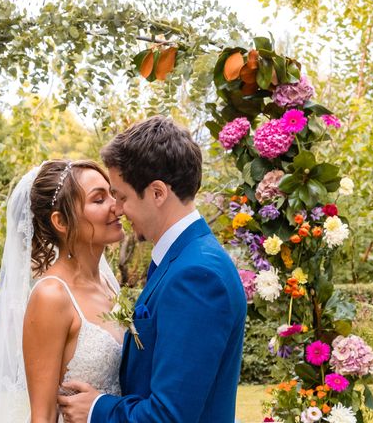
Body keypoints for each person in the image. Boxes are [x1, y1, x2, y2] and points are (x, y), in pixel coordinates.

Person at [58, 116, 247, 423]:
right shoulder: (182, 258)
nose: (116, 209)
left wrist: (96, 409)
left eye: (122, 196)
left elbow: (170, 415)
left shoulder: (197, 276)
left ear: (158, 193)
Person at [0, 160, 125, 423]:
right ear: (61, 221)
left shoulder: (107, 284)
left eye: (113, 195)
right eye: (98, 199)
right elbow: (44, 415)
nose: (117, 206)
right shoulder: (52, 296)